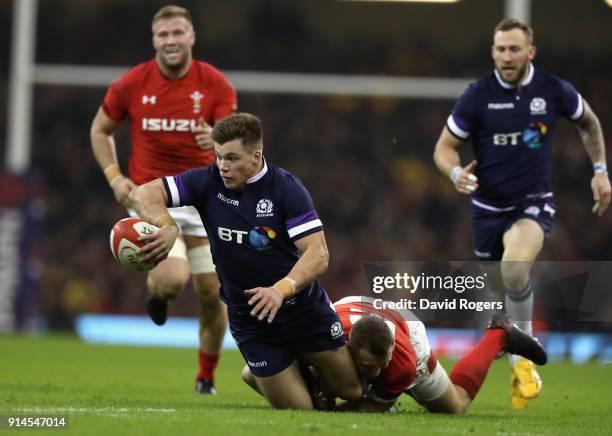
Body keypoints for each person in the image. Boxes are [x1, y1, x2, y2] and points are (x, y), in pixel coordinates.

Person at [128, 113, 364, 409]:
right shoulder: (207, 181)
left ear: (256, 157)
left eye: (231, 158)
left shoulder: (286, 189)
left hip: (300, 310)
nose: (222, 166)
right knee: (304, 410)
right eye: (218, 157)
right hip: (250, 320)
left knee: (352, 391)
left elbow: (318, 253)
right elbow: (142, 193)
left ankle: (293, 365)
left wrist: (280, 289)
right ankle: (267, 372)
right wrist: (167, 224)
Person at [433, 18, 610, 408]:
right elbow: (443, 148)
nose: (507, 56)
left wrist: (600, 170)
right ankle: (508, 340)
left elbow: (589, 122)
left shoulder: (552, 90)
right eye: (501, 49)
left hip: (532, 202)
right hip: (485, 210)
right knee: (500, 287)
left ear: (530, 52)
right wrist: (456, 172)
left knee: (515, 269)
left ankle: (522, 360)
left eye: (515, 49)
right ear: (492, 52)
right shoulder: (477, 95)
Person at [90, 5, 237, 395]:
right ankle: (158, 292)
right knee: (173, 280)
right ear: (154, 40)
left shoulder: (215, 84)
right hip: (154, 197)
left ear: (191, 37)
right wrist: (114, 176)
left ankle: (205, 377)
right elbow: (100, 129)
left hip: (204, 200)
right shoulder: (132, 84)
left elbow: (231, 138)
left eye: (178, 33)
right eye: (163, 35)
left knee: (211, 295)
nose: (170, 41)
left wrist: (219, 140)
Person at [324, 296, 547, 413]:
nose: (377, 372)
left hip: (407, 330)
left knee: (456, 406)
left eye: (383, 365)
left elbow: (371, 407)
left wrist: (329, 410)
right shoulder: (326, 336)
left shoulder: (402, 364)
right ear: (348, 346)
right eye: (369, 366)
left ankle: (499, 334)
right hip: (355, 307)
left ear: (391, 350)